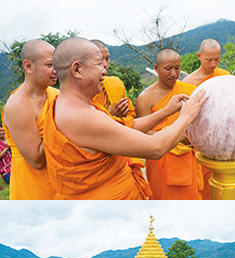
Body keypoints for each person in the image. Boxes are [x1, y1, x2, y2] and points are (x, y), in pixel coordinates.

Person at [43, 38, 207, 200]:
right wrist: (186, 116)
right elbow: (155, 148)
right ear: (77, 70)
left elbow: (126, 127)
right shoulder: (81, 116)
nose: (104, 70)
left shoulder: (67, 104)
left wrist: (166, 111)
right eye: (98, 64)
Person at [135, 48, 204, 200]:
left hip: (188, 159)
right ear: (156, 68)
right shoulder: (145, 98)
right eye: (168, 69)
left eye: (177, 68)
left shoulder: (189, 91)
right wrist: (175, 135)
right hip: (161, 162)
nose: (173, 74)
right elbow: (140, 133)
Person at [1, 39, 58, 199]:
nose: (56, 70)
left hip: (60, 182)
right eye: (49, 65)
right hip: (33, 189)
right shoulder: (18, 106)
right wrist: (69, 128)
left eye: (57, 64)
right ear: (28, 66)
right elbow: (37, 160)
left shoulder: (54, 94)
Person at [90, 40, 136, 127]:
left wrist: (122, 116)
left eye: (107, 59)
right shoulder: (81, 90)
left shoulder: (116, 83)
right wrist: (112, 117)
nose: (105, 64)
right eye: (99, 60)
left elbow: (132, 116)